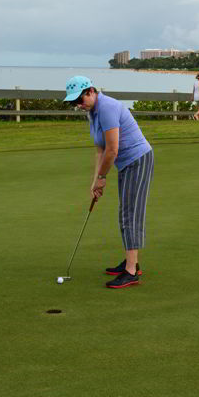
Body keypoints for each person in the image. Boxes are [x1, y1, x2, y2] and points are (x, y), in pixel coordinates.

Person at [63, 75, 154, 289]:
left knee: (130, 213)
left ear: (91, 91)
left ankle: (131, 271)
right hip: (125, 164)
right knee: (125, 212)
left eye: (80, 100)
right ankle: (131, 262)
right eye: (74, 102)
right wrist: (95, 181)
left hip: (138, 160)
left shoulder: (107, 108)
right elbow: (100, 150)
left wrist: (103, 178)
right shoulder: (92, 113)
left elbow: (113, 149)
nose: (78, 105)